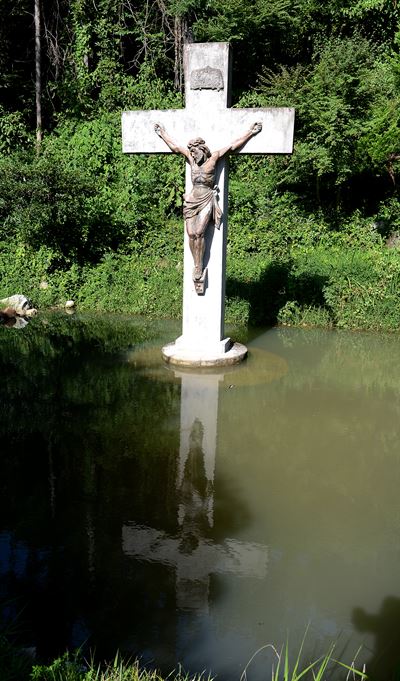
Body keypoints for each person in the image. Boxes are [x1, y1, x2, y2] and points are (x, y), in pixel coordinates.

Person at [154, 121, 262, 284]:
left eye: (194, 151)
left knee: (199, 232)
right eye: (190, 151)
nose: (193, 154)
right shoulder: (191, 160)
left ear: (202, 149)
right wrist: (162, 134)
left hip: (206, 200)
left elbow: (232, 146)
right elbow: (175, 147)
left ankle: (199, 265)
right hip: (191, 200)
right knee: (191, 234)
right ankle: (196, 262)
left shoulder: (214, 159)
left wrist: (250, 132)